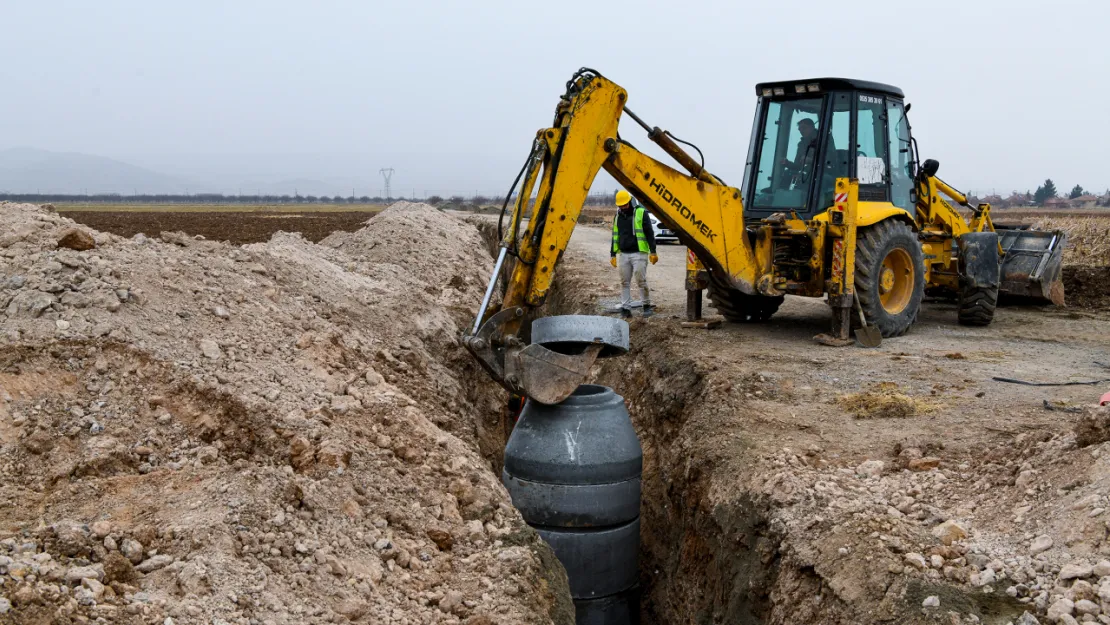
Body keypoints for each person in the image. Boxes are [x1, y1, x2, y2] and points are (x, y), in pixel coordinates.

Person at [610, 189, 658, 318]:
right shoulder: (618, 217)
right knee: (624, 282)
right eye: (620, 206)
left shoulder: (641, 213)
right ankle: (625, 308)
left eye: (624, 205)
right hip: (624, 254)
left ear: (630, 202)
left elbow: (649, 233)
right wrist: (613, 254)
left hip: (639, 253)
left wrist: (653, 251)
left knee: (640, 281)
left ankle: (646, 306)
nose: (623, 208)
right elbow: (615, 236)